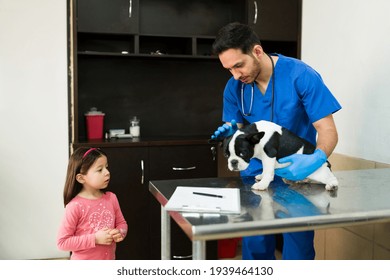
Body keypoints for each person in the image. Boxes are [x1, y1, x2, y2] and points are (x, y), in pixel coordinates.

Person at [211, 22, 341, 260]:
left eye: (239, 65)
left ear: (257, 52)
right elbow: (238, 132)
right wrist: (229, 134)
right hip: (255, 174)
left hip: (298, 174)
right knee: (255, 244)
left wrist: (316, 159)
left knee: (298, 248)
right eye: (229, 69)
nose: (236, 75)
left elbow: (328, 129)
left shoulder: (301, 76)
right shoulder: (234, 87)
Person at [57, 147, 128, 260]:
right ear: (81, 178)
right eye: (100, 170)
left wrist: (119, 232)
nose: (107, 172)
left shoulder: (111, 198)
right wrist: (95, 239)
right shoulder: (75, 206)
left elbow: (122, 223)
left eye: (106, 167)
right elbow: (62, 242)